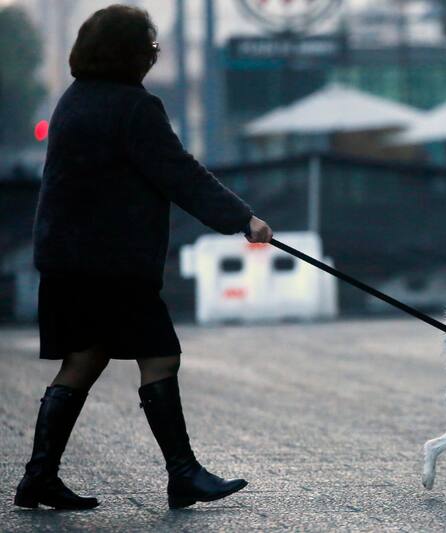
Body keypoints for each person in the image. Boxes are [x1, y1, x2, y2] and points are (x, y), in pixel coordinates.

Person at [14, 6, 272, 511]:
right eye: (149, 48)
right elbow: (180, 173)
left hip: (67, 258)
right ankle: (183, 475)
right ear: (128, 53)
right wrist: (244, 219)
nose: (154, 56)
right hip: (111, 265)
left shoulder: (73, 101)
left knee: (84, 359)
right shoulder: (134, 107)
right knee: (160, 355)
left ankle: (38, 477)